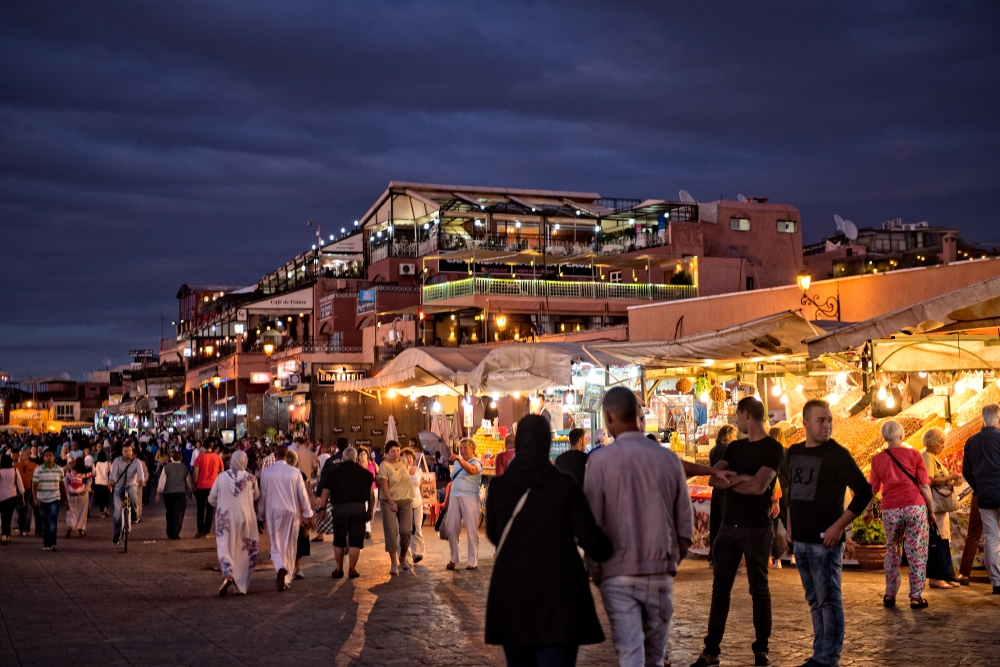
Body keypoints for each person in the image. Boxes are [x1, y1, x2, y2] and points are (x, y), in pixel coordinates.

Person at [486, 415, 613, 667]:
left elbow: (493, 534)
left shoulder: (499, 487)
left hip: (512, 596)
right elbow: (591, 539)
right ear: (547, 443)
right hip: (560, 599)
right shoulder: (564, 485)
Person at [585, 387, 692, 667]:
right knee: (655, 658)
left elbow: (592, 524)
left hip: (617, 574)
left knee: (631, 655)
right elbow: (685, 521)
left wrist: (597, 570)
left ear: (608, 417)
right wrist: (671, 560)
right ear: (638, 416)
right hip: (660, 573)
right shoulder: (668, 459)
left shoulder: (599, 461)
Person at [693, 396, 784, 667]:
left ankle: (761, 650)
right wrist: (743, 479)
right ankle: (711, 651)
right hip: (728, 528)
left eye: (737, 415)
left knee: (759, 589)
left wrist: (732, 480)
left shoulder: (773, 449)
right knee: (720, 589)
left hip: (757, 528)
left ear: (746, 414)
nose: (735, 420)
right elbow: (713, 479)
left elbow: (758, 487)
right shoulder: (733, 448)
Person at [787, 399, 872, 667]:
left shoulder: (837, 454)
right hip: (801, 541)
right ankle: (819, 655)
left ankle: (828, 658)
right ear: (805, 423)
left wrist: (838, 526)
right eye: (821, 420)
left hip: (825, 542)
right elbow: (793, 492)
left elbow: (865, 491)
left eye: (830, 420)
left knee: (829, 600)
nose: (827, 425)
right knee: (814, 600)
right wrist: (790, 526)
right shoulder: (793, 452)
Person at [864, 419, 936, 608]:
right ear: (902, 435)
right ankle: (915, 596)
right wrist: (932, 510)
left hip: (891, 509)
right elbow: (924, 485)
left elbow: (872, 489)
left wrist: (869, 509)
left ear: (885, 437)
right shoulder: (914, 455)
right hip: (914, 506)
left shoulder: (877, 459)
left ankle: (890, 593)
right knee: (917, 551)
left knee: (893, 550)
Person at [258, 444, 315, 591]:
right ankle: (286, 578)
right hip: (292, 512)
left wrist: (260, 515)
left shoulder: (266, 473)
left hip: (273, 512)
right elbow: (303, 495)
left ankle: (280, 568)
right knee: (290, 546)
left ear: (275, 455)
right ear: (287, 455)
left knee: (275, 545)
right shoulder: (295, 472)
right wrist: (309, 514)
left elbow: (263, 496)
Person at [317, 447, 375, 579]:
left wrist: (322, 509)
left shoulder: (334, 472)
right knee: (355, 541)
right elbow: (371, 494)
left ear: (343, 458)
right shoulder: (365, 473)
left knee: (339, 540)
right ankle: (352, 569)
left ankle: (339, 569)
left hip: (340, 509)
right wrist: (370, 510)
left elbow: (325, 492)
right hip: (358, 509)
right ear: (356, 458)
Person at [209, 450, 260, 596]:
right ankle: (240, 584)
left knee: (225, 547)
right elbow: (257, 496)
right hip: (246, 518)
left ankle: (228, 574)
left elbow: (211, 499)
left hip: (225, 520)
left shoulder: (221, 477)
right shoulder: (251, 478)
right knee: (244, 550)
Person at [962, 403, 1000, 594]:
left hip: (984, 496)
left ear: (983, 418)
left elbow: (965, 472)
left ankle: (997, 582)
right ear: (998, 418)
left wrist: (978, 487)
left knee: (992, 538)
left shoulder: (971, 441)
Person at [921, 426, 963, 589]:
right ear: (931, 442)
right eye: (940, 442)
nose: (943, 446)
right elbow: (929, 480)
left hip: (940, 507)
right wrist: (950, 476)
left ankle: (946, 575)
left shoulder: (933, 457)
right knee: (937, 540)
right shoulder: (927, 457)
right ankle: (936, 577)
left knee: (944, 539)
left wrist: (950, 479)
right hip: (934, 506)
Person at [377, 440, 414, 574]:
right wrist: (391, 502)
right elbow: (384, 486)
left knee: (406, 531)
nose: (396, 453)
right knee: (391, 532)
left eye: (398, 450)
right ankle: (393, 563)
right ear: (387, 452)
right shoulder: (384, 466)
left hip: (405, 499)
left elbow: (411, 471)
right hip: (388, 501)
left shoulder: (404, 461)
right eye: (393, 450)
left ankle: (403, 557)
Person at [447, 437, 483, 571]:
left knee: (471, 530)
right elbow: (452, 481)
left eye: (465, 448)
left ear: (473, 450)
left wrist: (458, 459)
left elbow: (471, 470)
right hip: (454, 497)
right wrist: (446, 500)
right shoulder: (457, 463)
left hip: (470, 498)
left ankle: (472, 561)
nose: (462, 451)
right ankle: (454, 557)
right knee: (451, 528)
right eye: (460, 448)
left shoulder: (477, 463)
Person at [708, 424, 738, 568]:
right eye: (734, 435)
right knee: (725, 524)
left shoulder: (713, 450)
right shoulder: (729, 449)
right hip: (726, 489)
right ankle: (724, 557)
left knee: (715, 524)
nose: (736, 437)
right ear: (728, 435)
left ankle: (713, 557)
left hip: (716, 490)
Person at [285, 449, 313, 580]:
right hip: (298, 512)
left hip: (284, 511)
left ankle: (285, 567)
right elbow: (306, 493)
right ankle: (297, 567)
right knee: (299, 540)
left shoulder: (280, 474)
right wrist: (309, 513)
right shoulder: (300, 474)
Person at [110, 442, 145, 545]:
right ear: (122, 452)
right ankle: (116, 535)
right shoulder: (117, 461)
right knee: (117, 512)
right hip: (118, 486)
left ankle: (135, 514)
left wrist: (141, 480)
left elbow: (140, 472)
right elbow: (113, 472)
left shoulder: (137, 462)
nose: (128, 453)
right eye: (125, 451)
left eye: (129, 451)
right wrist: (111, 479)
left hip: (132, 484)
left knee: (134, 494)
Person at [32, 449, 66, 551]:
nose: (48, 457)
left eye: (50, 455)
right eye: (46, 455)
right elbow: (34, 485)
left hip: (55, 498)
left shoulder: (59, 469)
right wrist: (35, 498)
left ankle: (53, 543)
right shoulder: (38, 469)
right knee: (45, 522)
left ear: (53, 457)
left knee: (53, 521)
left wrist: (66, 500)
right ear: (43, 457)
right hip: (42, 499)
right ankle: (46, 543)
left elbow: (62, 485)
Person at [157, 450, 194, 539]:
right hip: (181, 493)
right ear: (181, 458)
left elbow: (162, 482)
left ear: (172, 458)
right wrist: (191, 492)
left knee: (170, 512)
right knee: (179, 513)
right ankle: (175, 532)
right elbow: (189, 482)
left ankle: (169, 531)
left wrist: (158, 494)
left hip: (168, 493)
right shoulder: (185, 468)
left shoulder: (166, 468)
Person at [767, 427, 789, 569]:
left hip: (773, 491)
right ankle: (795, 556)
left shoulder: (768, 453)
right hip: (787, 491)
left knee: (772, 525)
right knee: (790, 524)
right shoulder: (788, 452)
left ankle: (777, 560)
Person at [193, 441, 224, 538]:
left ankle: (199, 531)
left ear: (203, 447)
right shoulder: (218, 458)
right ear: (212, 447)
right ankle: (207, 531)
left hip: (201, 487)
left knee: (200, 509)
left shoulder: (199, 458)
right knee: (210, 509)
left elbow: (195, 474)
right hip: (213, 487)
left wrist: (195, 485)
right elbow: (222, 473)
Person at [402, 447, 426, 564]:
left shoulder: (418, 470)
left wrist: (423, 500)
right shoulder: (399, 471)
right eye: (405, 457)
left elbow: (421, 486)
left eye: (410, 457)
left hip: (417, 504)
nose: (408, 459)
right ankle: (405, 556)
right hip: (404, 506)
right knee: (406, 532)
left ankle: (418, 553)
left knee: (418, 528)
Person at [64, 457, 94, 538]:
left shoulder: (71, 472)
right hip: (83, 495)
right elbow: (89, 481)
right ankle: (81, 529)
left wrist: (69, 491)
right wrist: (84, 489)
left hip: (71, 495)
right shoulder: (85, 472)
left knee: (71, 512)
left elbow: (65, 480)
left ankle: (70, 526)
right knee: (83, 512)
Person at [0, 454, 25, 545]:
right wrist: (22, 498)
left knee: (3, 516)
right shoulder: (14, 470)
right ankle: (7, 535)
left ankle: (4, 535)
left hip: (1, 497)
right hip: (12, 496)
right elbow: (20, 485)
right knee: (8, 516)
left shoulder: (0, 471)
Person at [13, 449, 36, 535]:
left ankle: (26, 529)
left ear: (27, 456)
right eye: (20, 455)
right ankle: (20, 528)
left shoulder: (34, 466)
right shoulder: (15, 466)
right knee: (19, 510)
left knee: (28, 509)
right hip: (18, 491)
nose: (20, 457)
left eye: (22, 455)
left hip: (29, 490)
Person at [92, 450, 110, 517]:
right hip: (105, 482)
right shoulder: (108, 463)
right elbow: (109, 472)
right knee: (106, 496)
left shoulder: (95, 463)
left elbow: (93, 473)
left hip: (98, 482)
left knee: (100, 497)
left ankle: (101, 511)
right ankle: (106, 507)